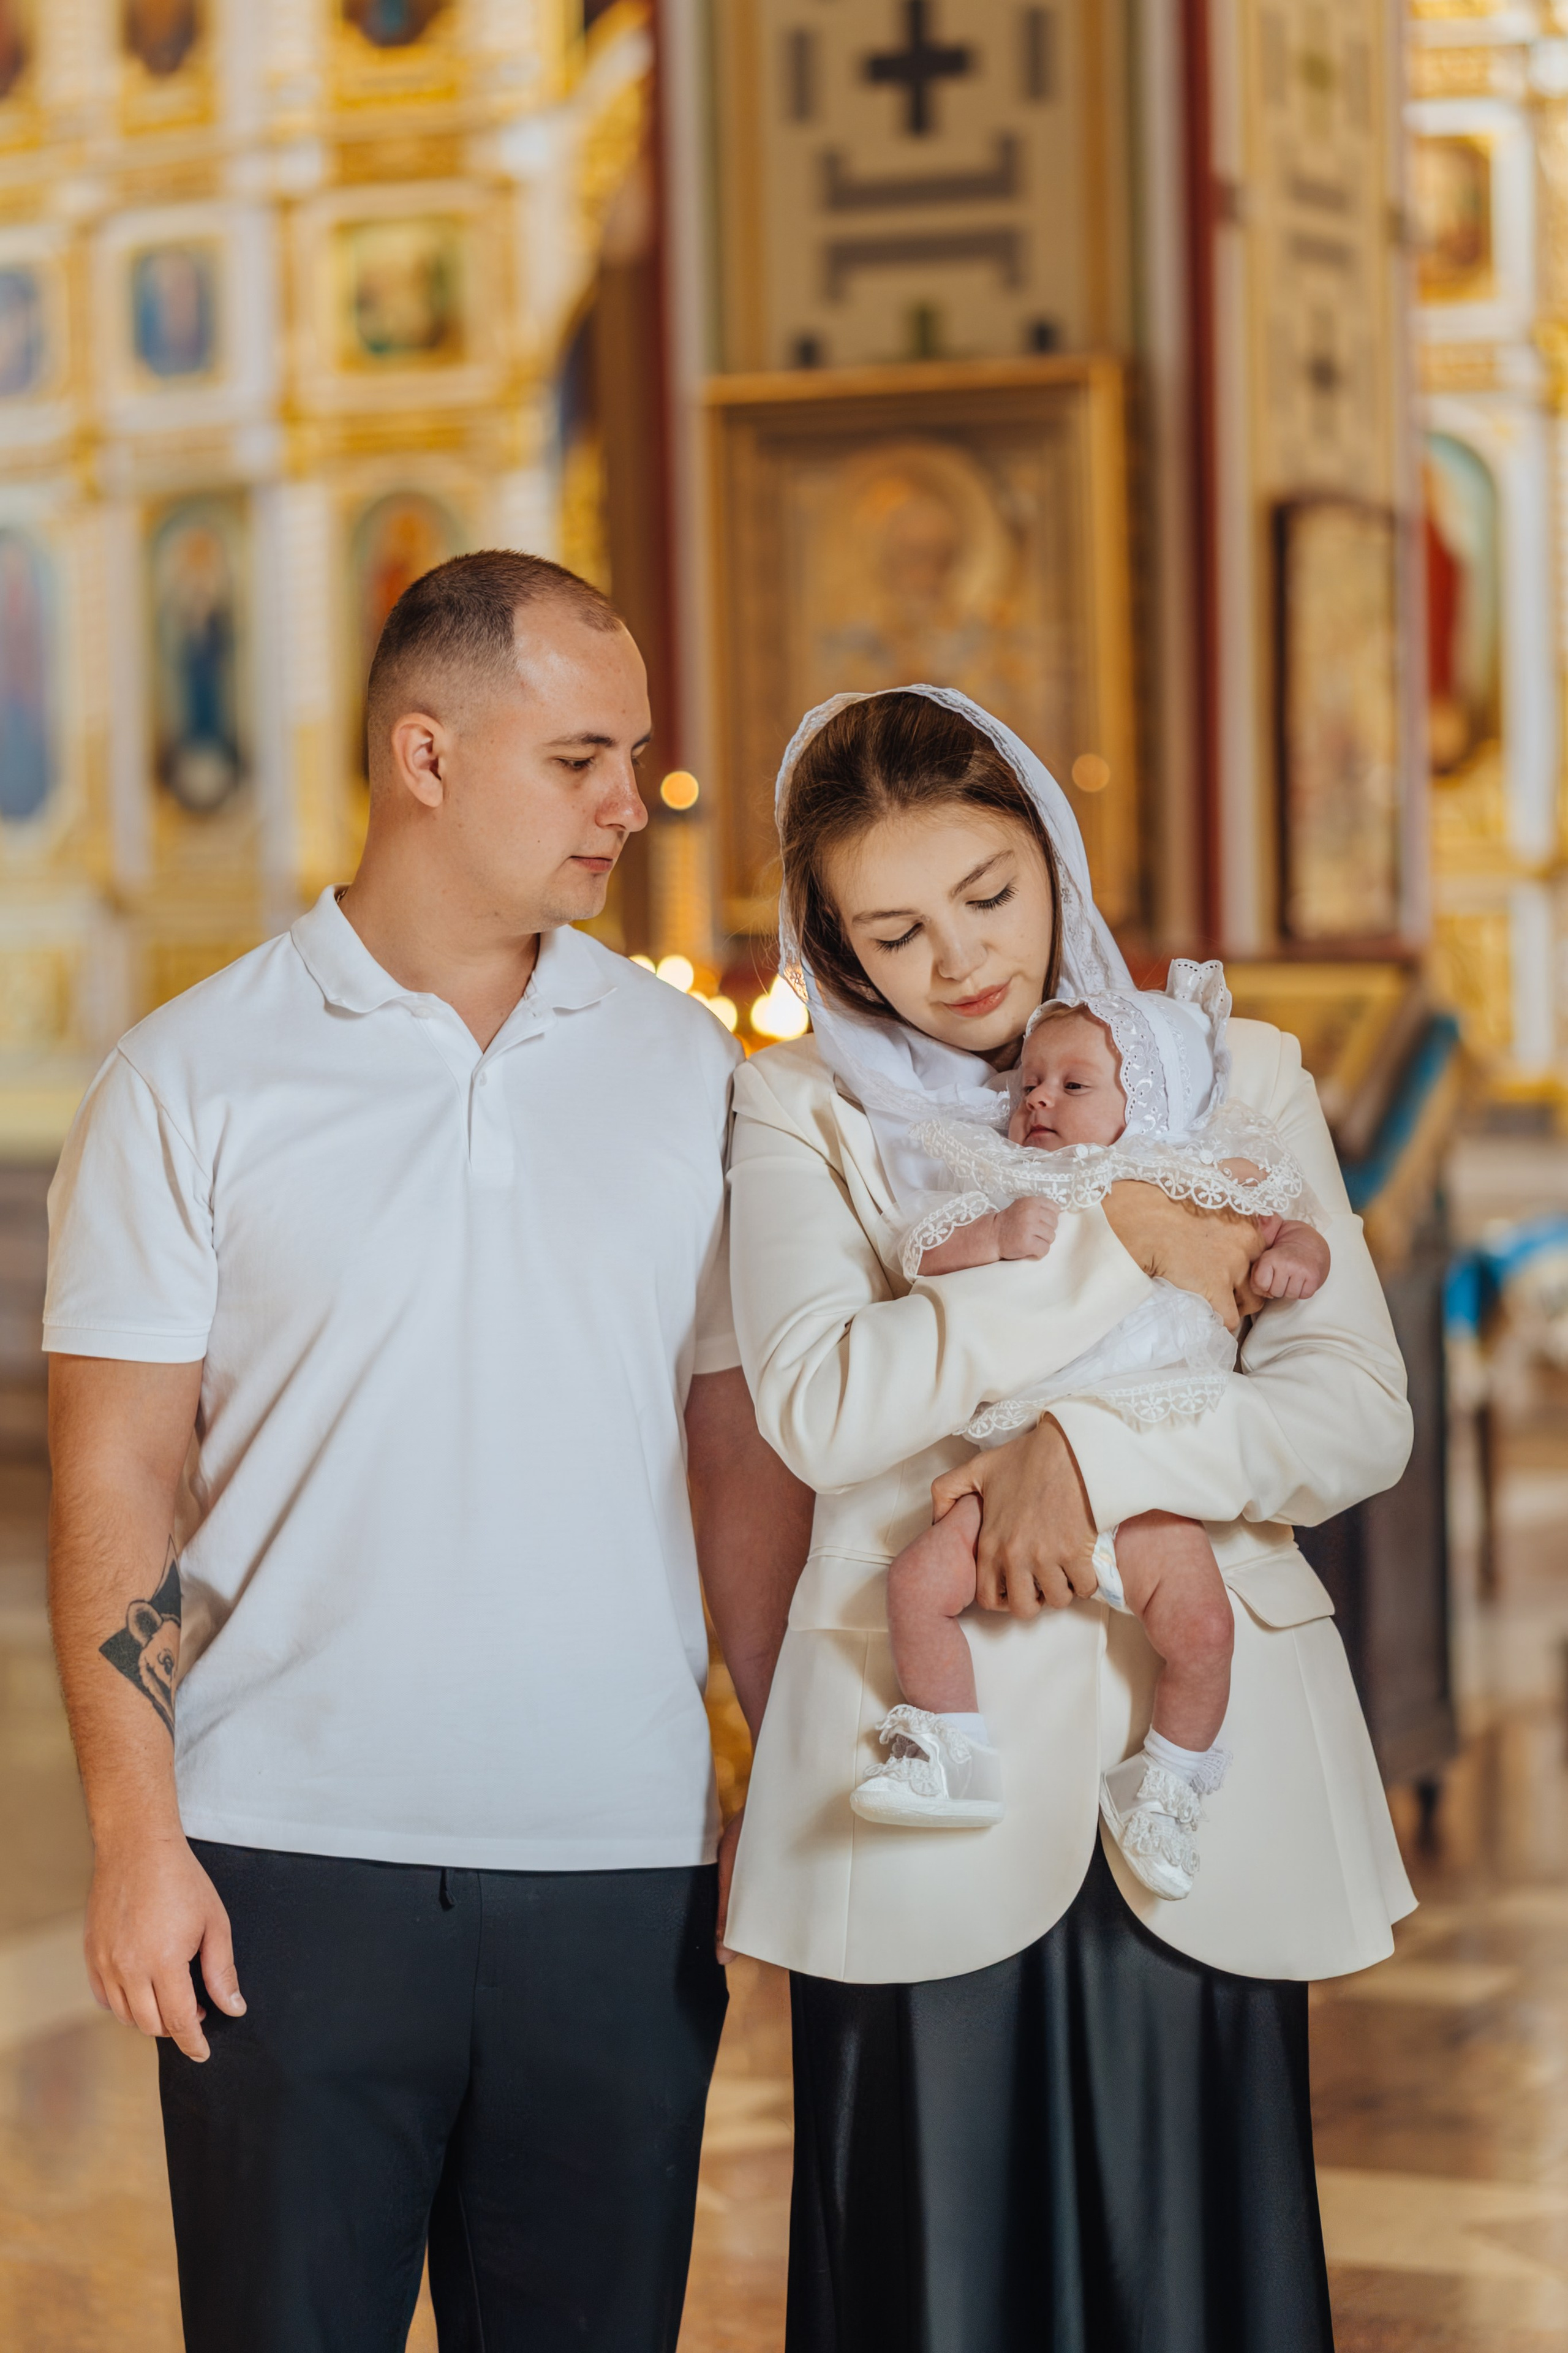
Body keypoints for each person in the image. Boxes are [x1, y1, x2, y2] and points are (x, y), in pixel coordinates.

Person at [44, 550, 812, 2353]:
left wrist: (785, 1763)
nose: (634, 803)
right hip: (277, 1867)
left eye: (637, 759)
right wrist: (135, 1833)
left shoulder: (690, 1071)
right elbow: (113, 1482)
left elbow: (741, 1454)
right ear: (425, 753)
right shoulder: (187, 1081)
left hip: (620, 1871)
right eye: (583, 759)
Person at [722, 685, 1414, 2352]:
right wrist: (1119, 1242)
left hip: (1199, 1773)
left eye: (990, 894)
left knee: (1193, 2285)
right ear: (831, 946)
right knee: (931, 2284)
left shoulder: (1231, 1074)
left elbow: (1353, 1411)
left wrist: (1096, 1455)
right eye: (892, 930)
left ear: (1054, 850)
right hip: (916, 1789)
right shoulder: (796, 1111)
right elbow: (822, 1405)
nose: (961, 959)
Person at [851, 969, 1331, 1902]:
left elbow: (1297, 1228)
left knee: (1201, 1626)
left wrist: (1293, 1262)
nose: (1038, 1098)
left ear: (1149, 1103)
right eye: (1031, 1082)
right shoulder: (1014, 1178)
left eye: (1075, 1086)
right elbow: (920, 1250)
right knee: (916, 1585)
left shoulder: (1203, 1180)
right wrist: (993, 1237)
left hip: (1150, 1465)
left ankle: (1168, 1781)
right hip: (1011, 1462)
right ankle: (951, 1748)